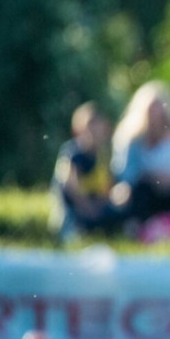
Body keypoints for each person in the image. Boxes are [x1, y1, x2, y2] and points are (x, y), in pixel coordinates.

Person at [112, 81, 170, 245]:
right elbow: (124, 174)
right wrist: (152, 177)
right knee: (139, 193)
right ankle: (135, 229)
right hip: (147, 191)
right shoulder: (133, 140)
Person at [51, 101, 124, 240]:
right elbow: (72, 189)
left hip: (95, 207)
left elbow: (107, 188)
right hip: (75, 210)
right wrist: (90, 209)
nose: (95, 131)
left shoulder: (103, 155)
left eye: (98, 126)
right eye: (90, 126)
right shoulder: (73, 154)